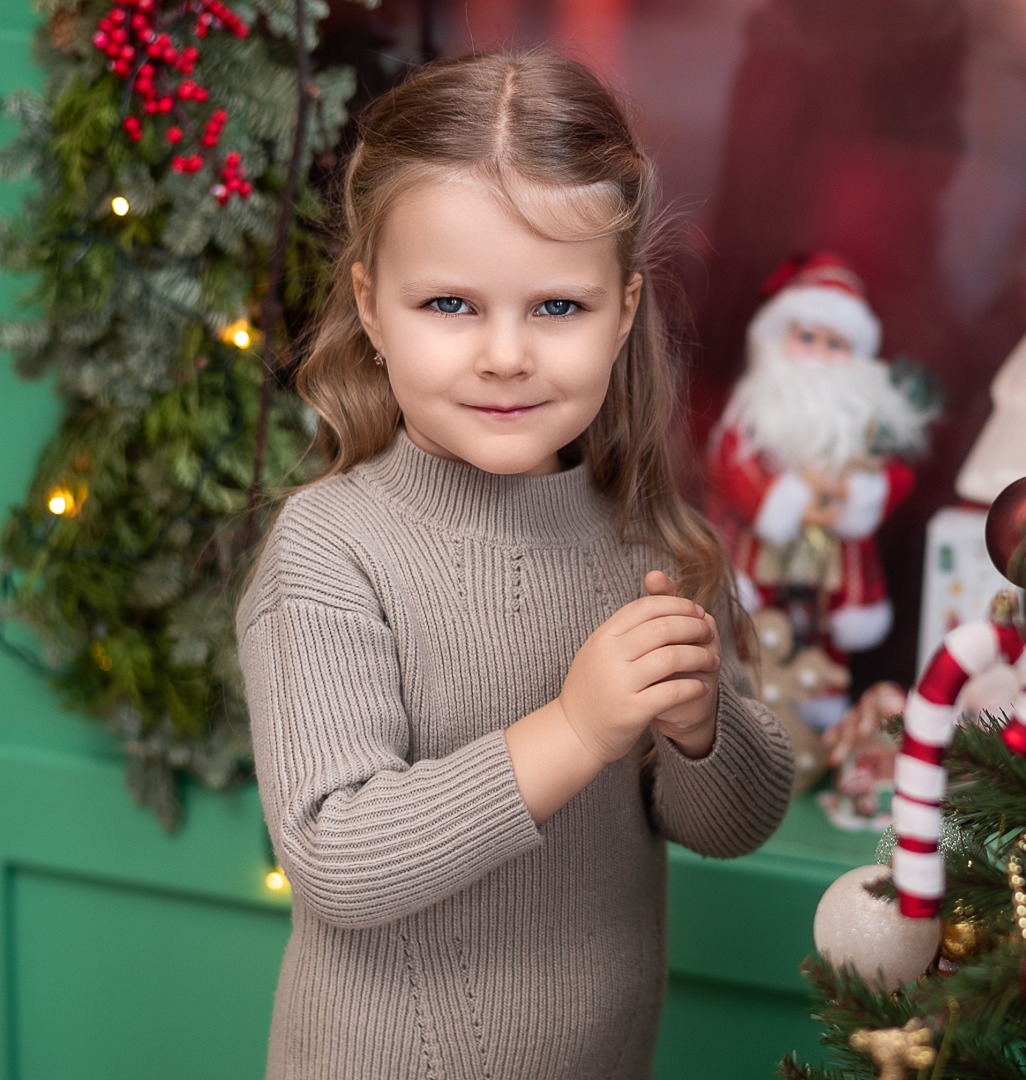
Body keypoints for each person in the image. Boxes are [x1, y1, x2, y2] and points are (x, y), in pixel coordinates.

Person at [236, 51, 795, 1080]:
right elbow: (335, 858)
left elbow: (730, 824)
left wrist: (702, 729)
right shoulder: (331, 548)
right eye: (450, 305)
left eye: (557, 308)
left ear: (623, 312)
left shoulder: (642, 542)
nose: (505, 354)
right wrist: (577, 729)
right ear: (371, 306)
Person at [706, 255, 935, 731]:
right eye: (806, 337)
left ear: (855, 356)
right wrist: (785, 498)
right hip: (760, 553)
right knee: (754, 628)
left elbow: (895, 476)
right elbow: (730, 464)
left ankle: (818, 709)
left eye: (834, 344)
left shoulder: (867, 419)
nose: (816, 352)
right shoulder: (752, 407)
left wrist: (853, 497)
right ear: (780, 338)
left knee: (824, 631)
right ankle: (745, 706)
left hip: (832, 560)